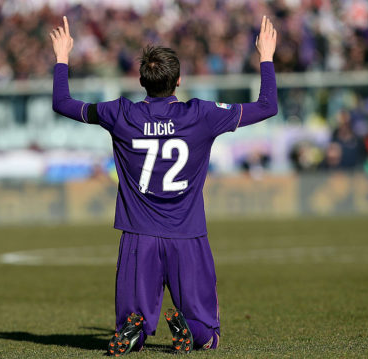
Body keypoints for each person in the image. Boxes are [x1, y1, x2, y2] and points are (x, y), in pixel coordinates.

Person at [50, 15, 277, 356]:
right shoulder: (201, 114)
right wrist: (266, 57)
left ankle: (133, 331)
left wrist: (62, 57)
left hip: (138, 235)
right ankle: (191, 329)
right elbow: (267, 106)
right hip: (187, 233)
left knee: (133, 322)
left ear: (141, 80)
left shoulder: (121, 113)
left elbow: (63, 103)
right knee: (207, 333)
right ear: (179, 80)